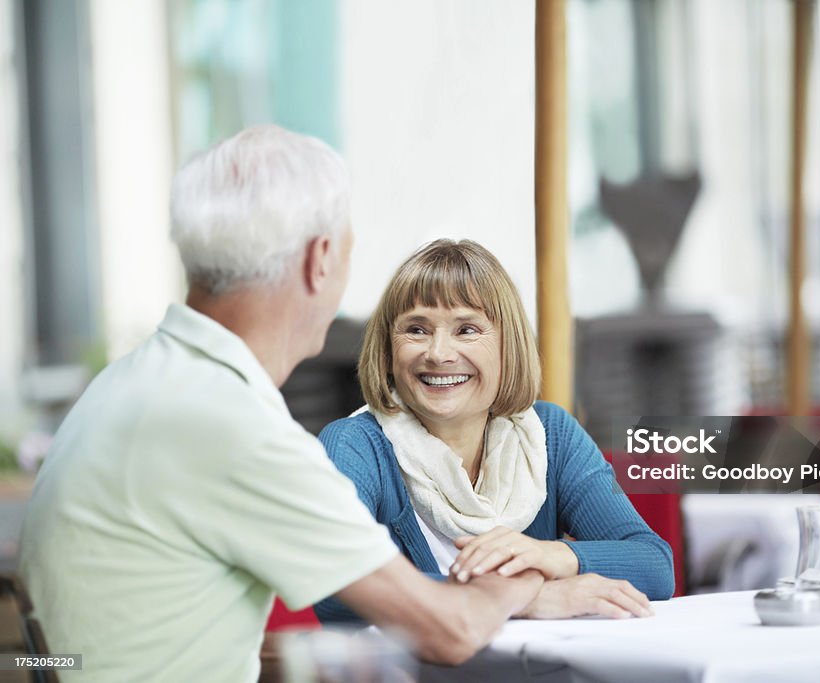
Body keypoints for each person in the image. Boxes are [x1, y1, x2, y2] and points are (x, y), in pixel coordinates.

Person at [17, 126, 542, 682]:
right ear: (320, 259)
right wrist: (528, 583)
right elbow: (448, 631)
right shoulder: (231, 426)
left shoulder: (132, 381)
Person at [314, 239, 674, 624]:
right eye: (416, 329)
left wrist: (554, 556)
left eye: (467, 329)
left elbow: (654, 566)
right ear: (388, 348)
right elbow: (337, 584)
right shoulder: (354, 445)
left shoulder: (549, 434)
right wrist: (522, 598)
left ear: (508, 344)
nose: (438, 353)